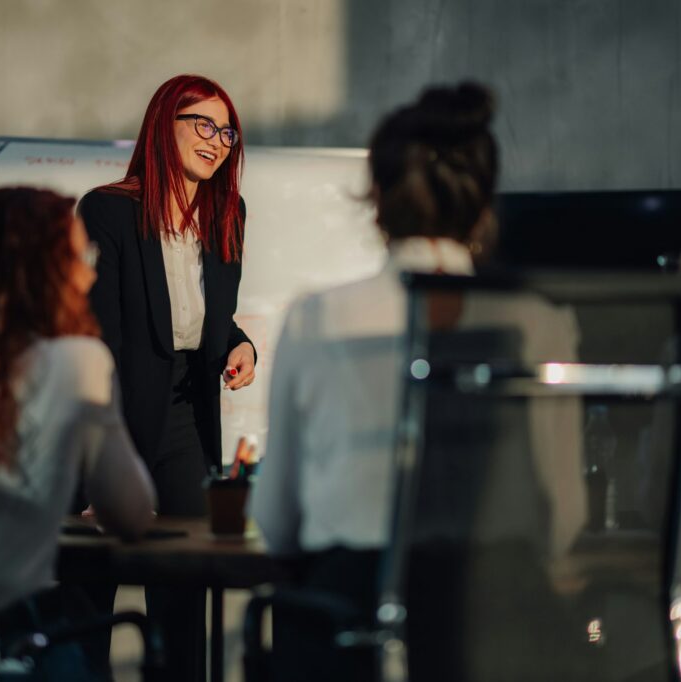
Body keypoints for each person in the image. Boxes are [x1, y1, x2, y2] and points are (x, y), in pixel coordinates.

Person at [250, 82, 584, 681]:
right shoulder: (536, 321)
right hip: (493, 631)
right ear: (483, 204)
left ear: (375, 198)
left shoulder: (318, 318)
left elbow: (276, 523)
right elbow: (563, 514)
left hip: (348, 630)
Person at [0, 187, 156, 678]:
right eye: (80, 254)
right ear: (41, 268)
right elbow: (131, 514)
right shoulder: (78, 362)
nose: (89, 271)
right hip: (12, 649)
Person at [77, 74, 255, 681]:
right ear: (163, 125)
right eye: (201, 124)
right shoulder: (109, 210)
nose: (217, 140)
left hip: (187, 411)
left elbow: (208, 316)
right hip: (117, 408)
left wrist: (241, 344)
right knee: (92, 592)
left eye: (226, 131)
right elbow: (97, 333)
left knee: (184, 588)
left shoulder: (229, 215)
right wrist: (101, 451)